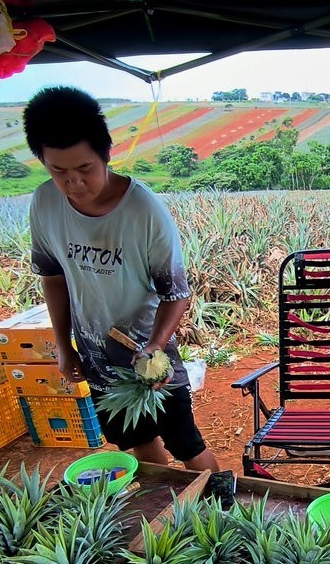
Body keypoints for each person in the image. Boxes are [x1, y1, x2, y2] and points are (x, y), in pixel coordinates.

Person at [22, 86, 235, 504]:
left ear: (106, 153)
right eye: (58, 171)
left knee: (187, 443)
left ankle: (222, 510)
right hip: (97, 356)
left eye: (84, 168)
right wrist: (64, 345)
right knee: (136, 441)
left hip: (148, 354)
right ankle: (164, 510)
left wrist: (155, 347)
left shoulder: (143, 211)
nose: (73, 182)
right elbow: (53, 277)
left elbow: (176, 293)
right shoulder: (44, 203)